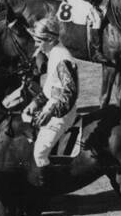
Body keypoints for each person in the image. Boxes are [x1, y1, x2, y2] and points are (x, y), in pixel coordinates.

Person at [23, 16, 81, 189]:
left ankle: (47, 191)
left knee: (39, 152)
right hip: (53, 107)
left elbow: (70, 94)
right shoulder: (53, 53)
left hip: (63, 114)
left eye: (38, 41)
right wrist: (33, 104)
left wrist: (49, 112)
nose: (36, 45)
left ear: (50, 39)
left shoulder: (62, 59)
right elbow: (50, 90)